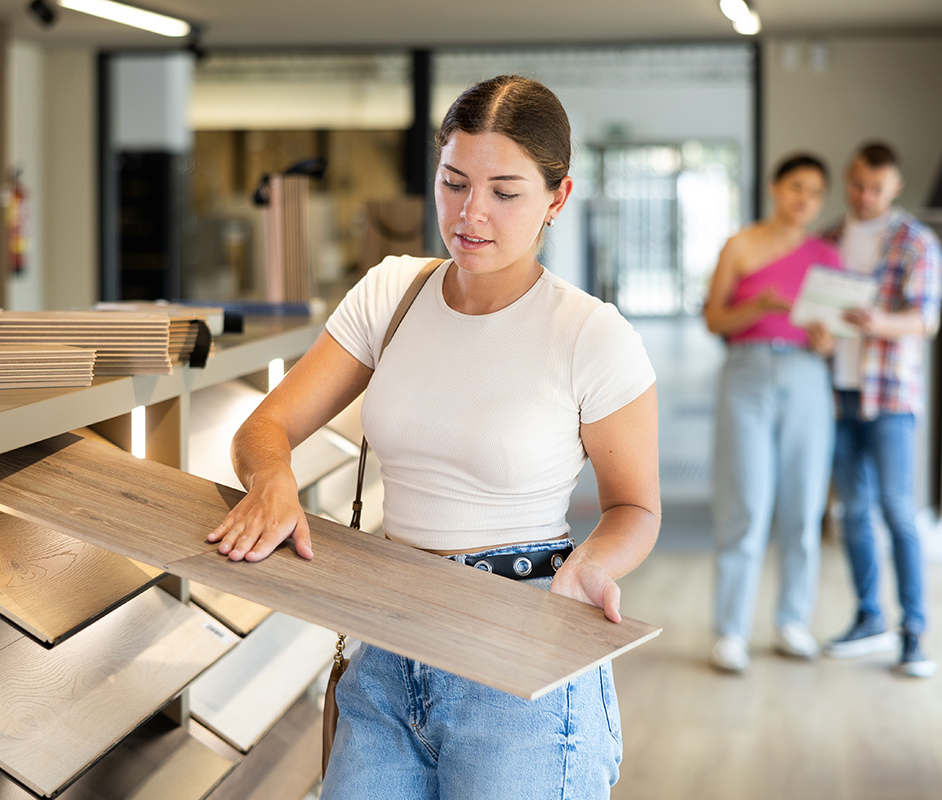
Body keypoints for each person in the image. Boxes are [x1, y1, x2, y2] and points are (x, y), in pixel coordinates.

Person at [208, 75, 660, 797]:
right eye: (454, 183)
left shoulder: (591, 335)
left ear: (558, 198)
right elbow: (267, 424)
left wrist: (594, 566)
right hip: (389, 647)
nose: (471, 214)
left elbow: (634, 507)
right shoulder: (393, 292)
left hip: (523, 655)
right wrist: (272, 480)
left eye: (505, 192)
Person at [703, 153, 840, 674]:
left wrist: (826, 342)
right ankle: (730, 632)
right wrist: (758, 307)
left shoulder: (826, 255)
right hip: (747, 375)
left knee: (804, 507)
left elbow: (830, 332)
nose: (804, 198)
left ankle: (792, 622)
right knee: (745, 506)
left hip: (807, 376)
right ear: (775, 189)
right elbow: (714, 318)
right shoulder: (740, 246)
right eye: (796, 187)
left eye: (815, 192)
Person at [820, 142, 942, 678]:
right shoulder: (828, 238)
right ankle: (869, 618)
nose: (864, 196)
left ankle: (913, 631)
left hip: (889, 397)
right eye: (857, 185)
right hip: (837, 395)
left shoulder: (916, 241)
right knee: (852, 515)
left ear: (893, 187)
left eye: (875, 188)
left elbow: (925, 319)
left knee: (898, 512)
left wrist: (878, 322)